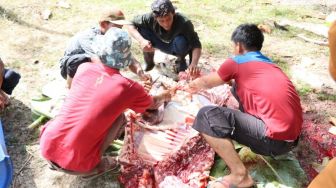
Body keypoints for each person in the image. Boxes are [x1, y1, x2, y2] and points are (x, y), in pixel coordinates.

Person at [40, 28, 172, 179]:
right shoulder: (127, 87)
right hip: (75, 165)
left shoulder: (84, 68)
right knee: (120, 118)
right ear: (125, 59)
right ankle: (96, 166)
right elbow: (153, 103)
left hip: (46, 146)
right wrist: (166, 95)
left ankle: (81, 155)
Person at [184, 24, 303, 187]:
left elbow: (205, 83)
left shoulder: (237, 61)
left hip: (274, 141)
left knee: (206, 116)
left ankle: (240, 175)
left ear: (238, 46)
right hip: (291, 140)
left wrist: (189, 85)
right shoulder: (269, 65)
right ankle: (255, 137)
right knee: (236, 88)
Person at [60, 8, 150, 88]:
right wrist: (128, 85)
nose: (119, 30)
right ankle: (71, 86)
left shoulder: (114, 37)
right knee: (86, 60)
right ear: (103, 24)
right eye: (117, 26)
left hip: (92, 68)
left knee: (115, 60)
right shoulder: (89, 37)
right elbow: (100, 65)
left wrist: (140, 73)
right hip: (71, 68)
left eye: (121, 27)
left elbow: (127, 56)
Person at [126, 0, 202, 76]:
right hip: (158, 43)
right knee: (142, 30)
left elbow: (196, 44)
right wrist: (142, 40)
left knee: (181, 41)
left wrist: (194, 63)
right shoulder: (149, 18)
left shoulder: (184, 22)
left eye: (168, 19)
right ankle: (149, 62)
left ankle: (181, 60)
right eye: (161, 21)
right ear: (155, 18)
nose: (166, 24)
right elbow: (130, 24)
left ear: (173, 13)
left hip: (177, 46)